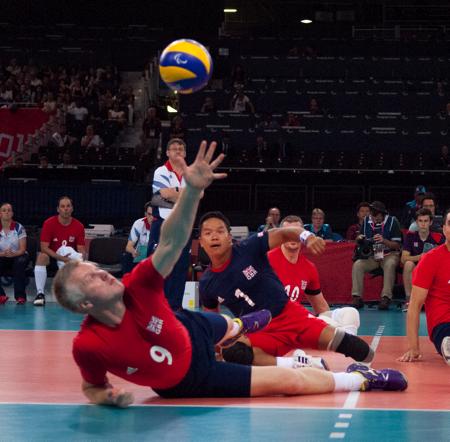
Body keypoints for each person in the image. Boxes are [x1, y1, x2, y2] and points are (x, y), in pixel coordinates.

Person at [52, 141, 407, 407]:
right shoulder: (88, 346)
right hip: (192, 379)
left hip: (194, 327)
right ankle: (357, 378)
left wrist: (190, 191)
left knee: (231, 326)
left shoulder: (136, 286)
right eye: (91, 278)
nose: (102, 274)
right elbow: (92, 387)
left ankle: (241, 325)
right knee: (288, 382)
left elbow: (172, 242)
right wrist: (106, 397)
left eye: (96, 269)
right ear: (83, 303)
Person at [198, 211, 377, 369]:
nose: (214, 237)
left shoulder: (248, 248)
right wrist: (213, 351)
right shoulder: (207, 283)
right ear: (201, 242)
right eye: (208, 233)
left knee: (361, 351)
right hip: (259, 330)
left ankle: (366, 371)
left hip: (292, 316)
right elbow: (214, 322)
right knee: (232, 350)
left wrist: (308, 237)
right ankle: (296, 364)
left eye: (220, 231)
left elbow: (284, 233)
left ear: (229, 237)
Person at [268, 215, 360, 337]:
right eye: (288, 233)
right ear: (281, 236)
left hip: (297, 322)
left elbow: (321, 307)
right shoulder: (267, 260)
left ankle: (349, 343)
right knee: (331, 328)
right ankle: (344, 341)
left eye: (296, 232)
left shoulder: (308, 267)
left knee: (351, 313)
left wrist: (328, 321)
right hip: (273, 324)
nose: (292, 236)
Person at [398, 208, 450, 365]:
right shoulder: (431, 260)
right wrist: (414, 348)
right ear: (444, 229)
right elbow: (414, 306)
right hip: (444, 325)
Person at [149, 138, 190, 310]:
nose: (178, 152)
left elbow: (199, 195)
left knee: (180, 268)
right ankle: (155, 305)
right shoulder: (161, 171)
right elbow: (162, 195)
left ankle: (175, 307)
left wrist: (174, 195)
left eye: (181, 149)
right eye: (174, 149)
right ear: (167, 153)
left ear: (185, 153)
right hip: (163, 225)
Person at [33, 196, 86, 306]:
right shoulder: (49, 223)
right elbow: (44, 248)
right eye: (62, 206)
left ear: (72, 209)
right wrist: (61, 258)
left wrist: (81, 259)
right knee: (42, 256)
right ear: (58, 209)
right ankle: (40, 294)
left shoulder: (79, 226)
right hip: (53, 257)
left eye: (68, 206)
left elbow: (81, 249)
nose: (65, 209)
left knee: (82, 261)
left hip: (68, 260)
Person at [351, 201, 402, 310]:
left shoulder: (393, 221)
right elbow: (359, 237)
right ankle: (357, 297)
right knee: (358, 265)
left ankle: (386, 297)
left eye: (377, 216)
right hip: (372, 255)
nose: (374, 218)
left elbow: (397, 245)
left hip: (389, 254)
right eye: (372, 216)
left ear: (383, 214)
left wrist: (384, 241)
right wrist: (359, 238)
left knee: (390, 264)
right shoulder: (366, 221)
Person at [401, 208, 444, 309]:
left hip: (433, 267)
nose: (423, 224)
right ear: (416, 222)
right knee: (408, 264)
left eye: (426, 221)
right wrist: (421, 257)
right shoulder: (411, 236)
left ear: (430, 222)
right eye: (420, 221)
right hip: (416, 266)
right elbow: (403, 258)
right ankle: (409, 299)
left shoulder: (438, 237)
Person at [0, 202, 29, 304]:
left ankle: (20, 296)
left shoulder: (19, 227)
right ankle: (1, 296)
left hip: (19, 255)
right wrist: (3, 254)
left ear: (12, 213)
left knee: (19, 263)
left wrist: (13, 254)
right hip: (2, 256)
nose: (7, 212)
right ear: (0, 214)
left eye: (9, 210)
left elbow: (22, 248)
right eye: (4, 210)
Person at [122, 202, 156, 274]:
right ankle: (128, 282)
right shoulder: (139, 223)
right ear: (145, 214)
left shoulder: (164, 224)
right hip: (141, 254)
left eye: (154, 214)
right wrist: (133, 251)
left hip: (157, 254)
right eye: (149, 214)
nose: (152, 217)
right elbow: (128, 246)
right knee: (127, 256)